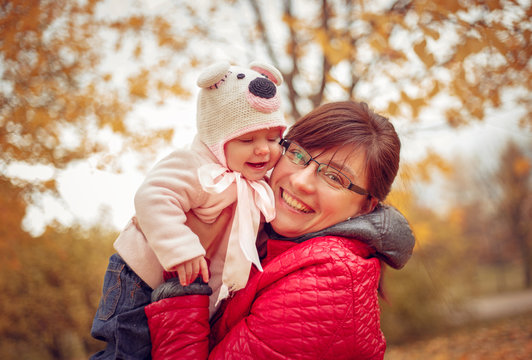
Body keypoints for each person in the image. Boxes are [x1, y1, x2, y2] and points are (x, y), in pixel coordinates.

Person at [145, 100, 416, 359]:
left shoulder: (328, 284)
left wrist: (182, 293)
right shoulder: (259, 232)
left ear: (366, 206)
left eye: (334, 177)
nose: (301, 181)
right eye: (298, 154)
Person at [90, 61, 287, 359]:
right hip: (141, 275)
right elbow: (153, 196)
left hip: (190, 292)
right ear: (216, 138)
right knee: (128, 350)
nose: (263, 149)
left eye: (273, 138)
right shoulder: (194, 165)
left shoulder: (260, 186)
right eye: (247, 139)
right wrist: (181, 247)